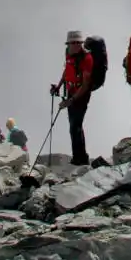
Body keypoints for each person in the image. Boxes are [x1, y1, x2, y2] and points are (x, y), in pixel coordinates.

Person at [52, 30, 96, 165]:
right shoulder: (69, 54)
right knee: (73, 125)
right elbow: (67, 71)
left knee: (75, 125)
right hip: (72, 92)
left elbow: (85, 84)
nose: (76, 45)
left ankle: (80, 158)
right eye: (73, 43)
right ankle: (79, 156)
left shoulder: (86, 58)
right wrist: (58, 86)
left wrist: (71, 100)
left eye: (78, 42)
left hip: (81, 95)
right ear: (69, 44)